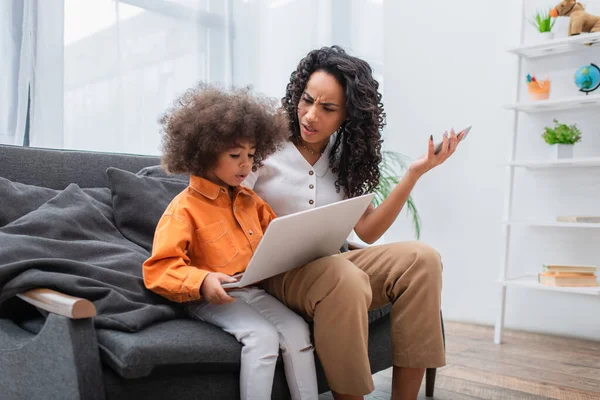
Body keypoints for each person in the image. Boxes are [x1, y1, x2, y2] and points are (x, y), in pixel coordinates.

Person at [242, 45, 464, 400]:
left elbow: (368, 230)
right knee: (343, 276)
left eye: (327, 108)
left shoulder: (344, 157)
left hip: (332, 266)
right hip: (278, 276)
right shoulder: (264, 145)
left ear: (347, 115)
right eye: (307, 100)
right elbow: (229, 210)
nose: (311, 115)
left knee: (423, 259)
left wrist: (414, 174)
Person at [143, 83, 319, 400]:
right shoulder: (183, 210)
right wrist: (203, 280)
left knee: (298, 331)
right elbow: (160, 268)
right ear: (204, 153)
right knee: (262, 338)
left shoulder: (251, 200)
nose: (245, 165)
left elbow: (279, 236)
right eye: (235, 155)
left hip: (251, 288)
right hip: (210, 298)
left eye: (251, 155)